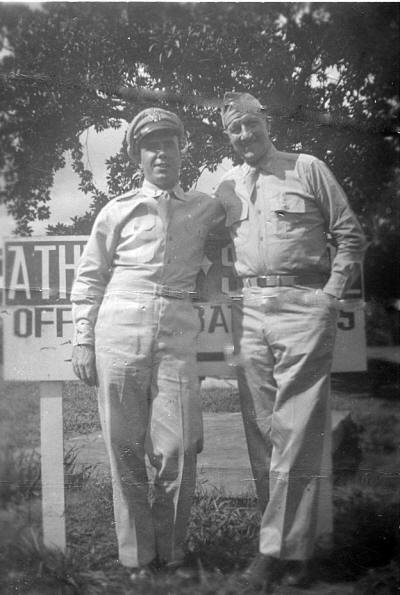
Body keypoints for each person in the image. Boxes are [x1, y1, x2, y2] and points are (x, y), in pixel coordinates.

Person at [216, 92, 367, 590]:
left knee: (298, 430)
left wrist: (329, 296)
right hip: (249, 309)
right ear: (228, 136)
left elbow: (350, 234)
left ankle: (272, 554)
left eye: (251, 124)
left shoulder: (307, 167)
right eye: (235, 129)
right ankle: (294, 547)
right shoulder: (226, 186)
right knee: (264, 432)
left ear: (267, 121)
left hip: (303, 304)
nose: (245, 135)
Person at [71, 107, 224, 580]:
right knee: (124, 445)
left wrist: (215, 280)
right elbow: (90, 276)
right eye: (151, 146)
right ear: (139, 157)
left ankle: (172, 553)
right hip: (119, 321)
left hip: (178, 323)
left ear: (182, 150)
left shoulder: (206, 206)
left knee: (180, 444)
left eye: (170, 144)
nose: (162, 153)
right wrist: (82, 339)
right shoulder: (116, 209)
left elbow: (232, 240)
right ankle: (138, 558)